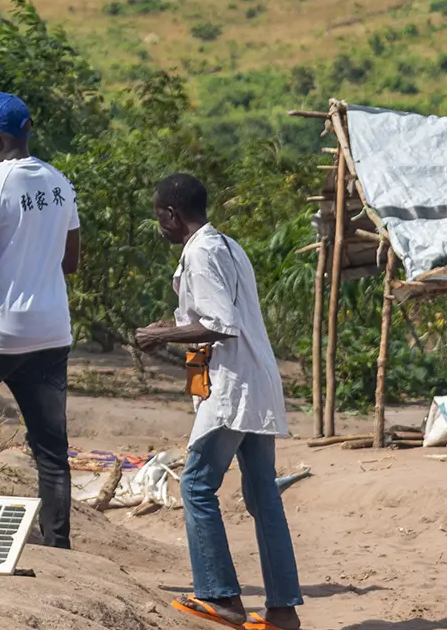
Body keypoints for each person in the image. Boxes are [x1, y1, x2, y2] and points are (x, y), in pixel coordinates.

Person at [137, 173, 301, 630]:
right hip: (255, 382)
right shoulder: (227, 244)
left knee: (196, 485)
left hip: (232, 386)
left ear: (172, 214)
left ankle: (222, 596)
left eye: (159, 216)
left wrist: (162, 336)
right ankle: (283, 610)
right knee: (263, 494)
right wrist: (171, 325)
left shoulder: (202, 251)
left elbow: (221, 323)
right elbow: (212, 315)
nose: (160, 226)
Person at [0, 90, 80, 549]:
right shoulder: (60, 183)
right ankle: (58, 542)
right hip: (50, 331)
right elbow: (70, 262)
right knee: (50, 448)